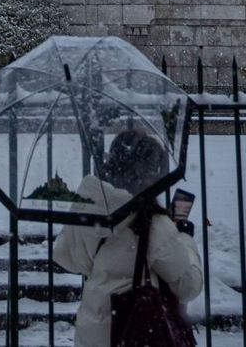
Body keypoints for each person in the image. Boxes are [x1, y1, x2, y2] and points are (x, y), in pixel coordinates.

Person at [52, 128, 204, 347]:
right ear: (148, 174)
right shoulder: (152, 224)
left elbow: (70, 258)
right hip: (135, 330)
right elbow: (188, 284)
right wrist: (184, 240)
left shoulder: (88, 209)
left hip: (93, 331)